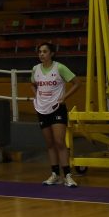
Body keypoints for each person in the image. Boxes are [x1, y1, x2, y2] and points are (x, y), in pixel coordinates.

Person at [31, 42, 81, 187]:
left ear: (51, 53)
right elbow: (32, 84)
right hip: (42, 109)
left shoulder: (59, 67)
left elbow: (77, 83)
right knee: (50, 143)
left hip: (57, 109)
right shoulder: (35, 69)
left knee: (59, 142)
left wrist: (64, 97)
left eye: (45, 51)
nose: (41, 54)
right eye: (40, 51)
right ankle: (55, 174)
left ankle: (67, 175)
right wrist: (37, 96)